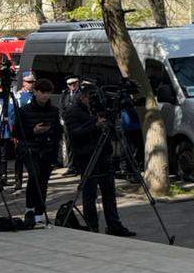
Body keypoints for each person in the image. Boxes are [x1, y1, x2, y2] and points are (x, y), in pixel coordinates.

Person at [63, 84, 136, 236]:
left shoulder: (99, 110)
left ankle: (114, 225)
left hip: (104, 154)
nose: (93, 102)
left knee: (109, 191)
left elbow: (111, 130)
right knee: (90, 194)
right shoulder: (72, 112)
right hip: (87, 156)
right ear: (83, 97)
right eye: (91, 98)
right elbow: (75, 133)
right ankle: (92, 226)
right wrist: (94, 125)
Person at [15, 76, 63, 224]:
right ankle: (29, 209)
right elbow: (17, 132)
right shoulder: (24, 110)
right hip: (31, 150)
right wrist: (33, 131)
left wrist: (55, 157)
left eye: (47, 92)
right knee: (34, 177)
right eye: (42, 92)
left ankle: (39, 212)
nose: (44, 95)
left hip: (47, 151)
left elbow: (57, 135)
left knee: (43, 182)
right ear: (35, 91)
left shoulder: (54, 111)